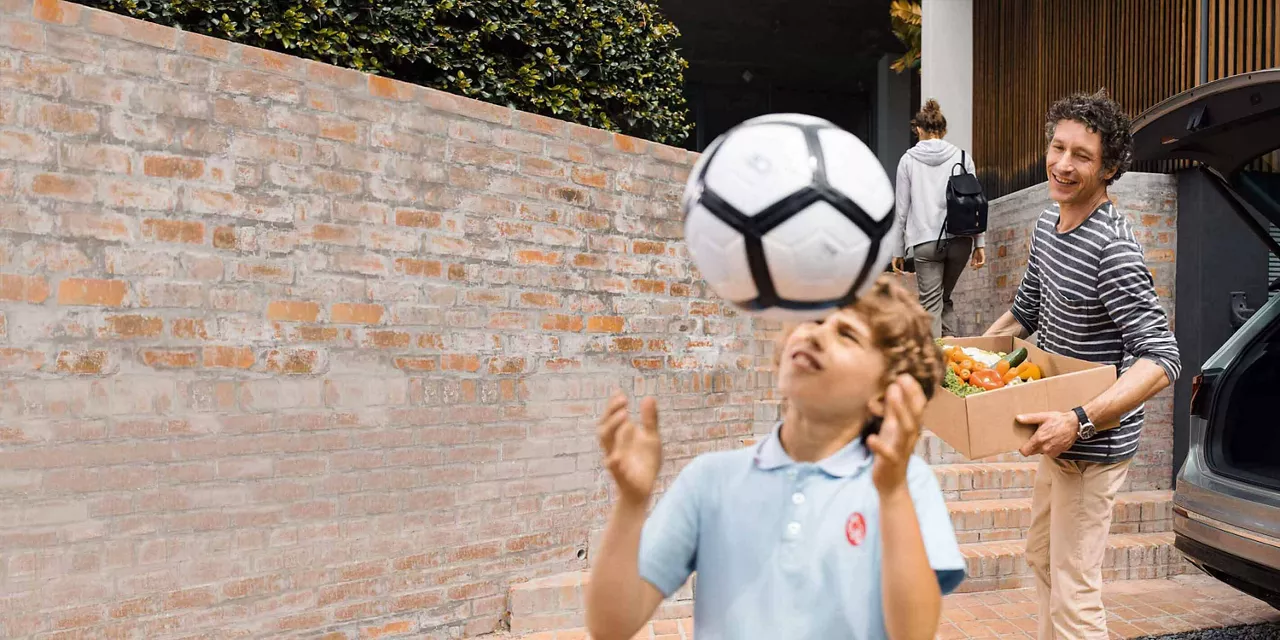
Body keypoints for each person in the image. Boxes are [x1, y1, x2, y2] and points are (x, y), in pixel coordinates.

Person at [584, 275, 965, 640]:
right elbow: (610, 626)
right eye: (814, 319)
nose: (816, 333)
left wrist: (892, 494)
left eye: (846, 333)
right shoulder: (710, 479)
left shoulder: (905, 484)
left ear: (886, 392)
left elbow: (914, 633)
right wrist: (631, 505)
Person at [983, 90, 1181, 639]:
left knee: (1074, 591)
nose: (1063, 165)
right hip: (1057, 434)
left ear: (1109, 167)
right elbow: (1025, 311)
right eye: (1057, 147)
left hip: (1092, 447)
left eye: (1082, 156)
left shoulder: (1111, 248)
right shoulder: (1048, 224)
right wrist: (961, 357)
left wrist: (1081, 419)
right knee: (1044, 562)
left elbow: (1162, 358)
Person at [891, 99, 986, 339]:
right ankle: (952, 360)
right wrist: (979, 244)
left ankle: (936, 370)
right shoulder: (963, 158)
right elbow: (975, 202)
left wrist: (898, 250)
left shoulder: (908, 161)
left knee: (931, 305)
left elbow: (901, 210)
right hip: (960, 240)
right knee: (944, 299)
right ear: (943, 131)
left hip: (926, 243)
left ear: (919, 130)